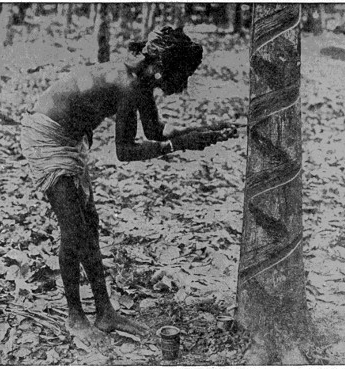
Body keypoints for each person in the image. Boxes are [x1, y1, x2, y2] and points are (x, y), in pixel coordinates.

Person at [20, 26, 237, 337]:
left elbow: (154, 132)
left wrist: (202, 132)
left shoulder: (142, 81)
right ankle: (75, 316)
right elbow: (124, 151)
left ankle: (105, 313)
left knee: (89, 226)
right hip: (47, 137)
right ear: (163, 70)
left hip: (71, 138)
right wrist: (177, 146)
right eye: (183, 75)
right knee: (74, 231)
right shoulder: (128, 84)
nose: (184, 83)